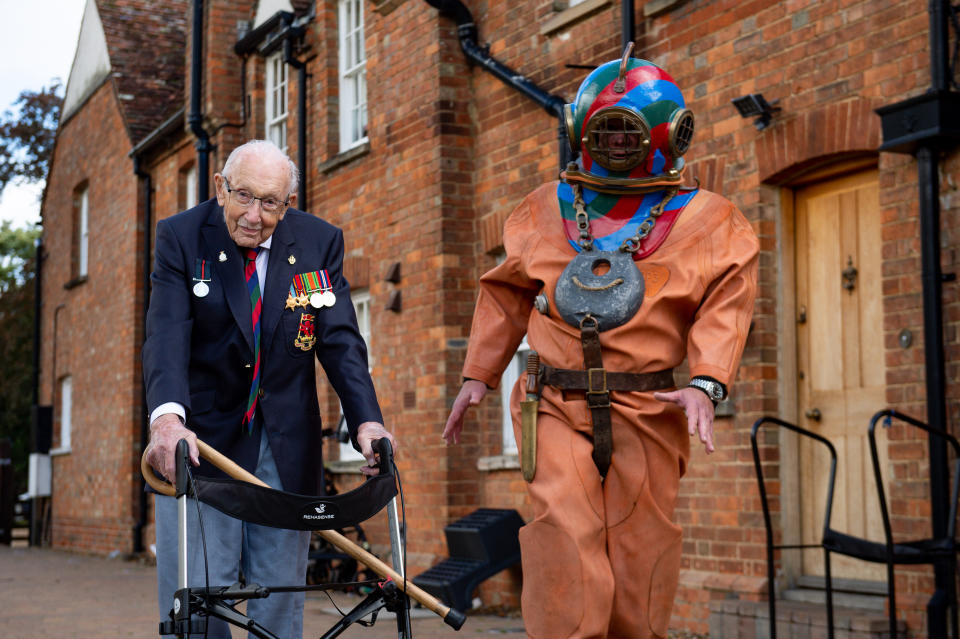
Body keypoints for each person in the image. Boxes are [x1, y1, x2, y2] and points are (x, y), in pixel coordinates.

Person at [443, 49, 758, 639]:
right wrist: (476, 376)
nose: (615, 144)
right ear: (579, 131)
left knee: (642, 548)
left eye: (627, 131)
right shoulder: (541, 210)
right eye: (604, 130)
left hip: (651, 407)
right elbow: (506, 294)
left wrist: (707, 383)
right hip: (555, 401)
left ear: (672, 132)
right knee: (564, 533)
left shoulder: (713, 222)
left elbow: (727, 304)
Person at [142, 139, 395, 638]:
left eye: (270, 203)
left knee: (279, 599)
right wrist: (167, 421)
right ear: (221, 188)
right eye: (243, 197)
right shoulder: (181, 237)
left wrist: (367, 421)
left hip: (285, 447)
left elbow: (340, 341)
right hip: (202, 447)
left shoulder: (320, 242)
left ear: (289, 203)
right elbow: (166, 335)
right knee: (197, 601)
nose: (254, 215)